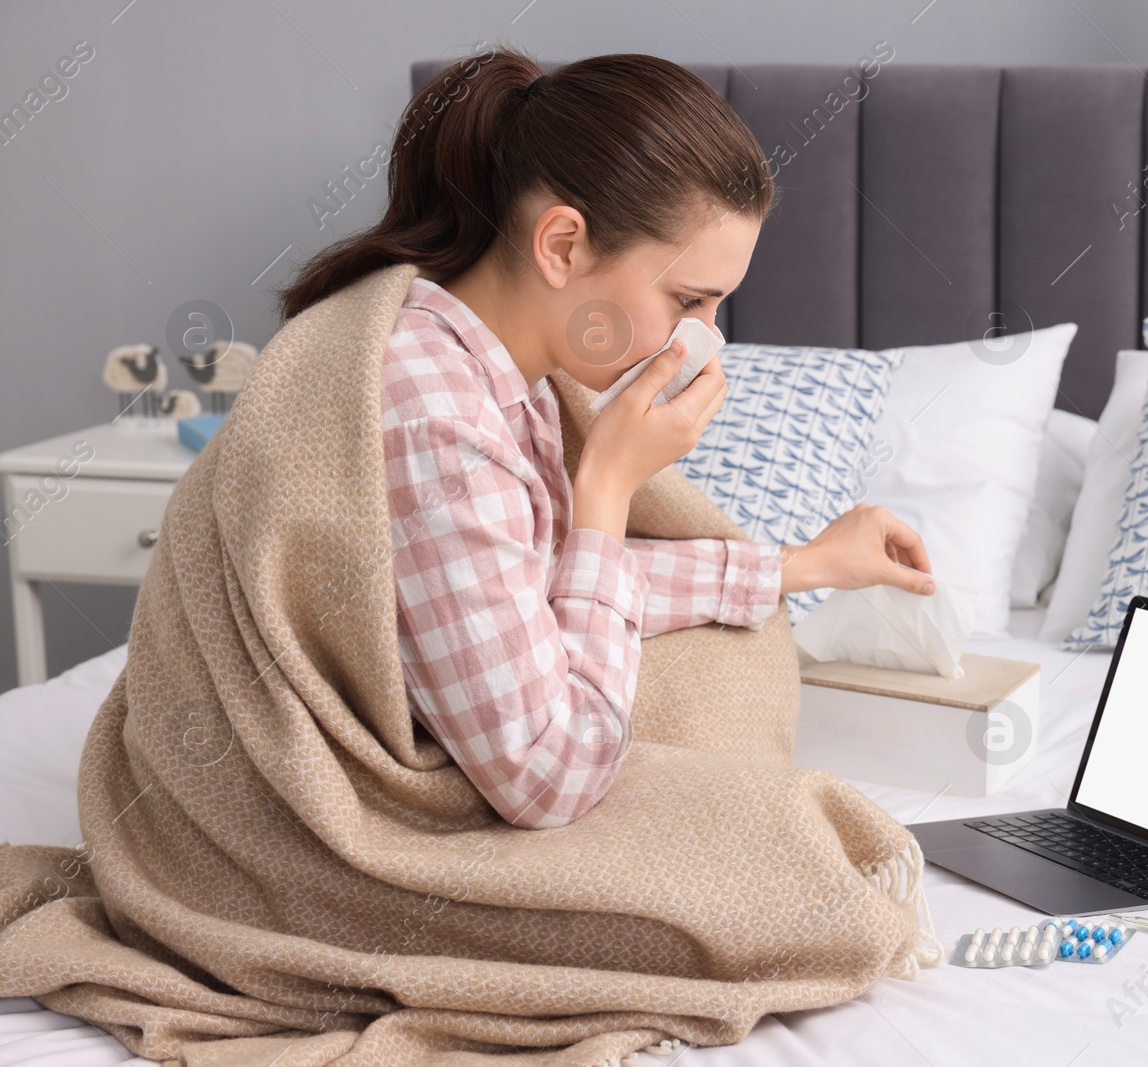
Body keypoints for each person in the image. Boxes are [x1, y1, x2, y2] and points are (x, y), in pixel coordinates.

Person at [275, 47, 936, 831]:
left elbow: (529, 582)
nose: (702, 341)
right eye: (689, 299)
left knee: (729, 653)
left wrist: (808, 565)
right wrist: (608, 487)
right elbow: (548, 780)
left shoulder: (491, 371)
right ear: (562, 246)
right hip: (316, 823)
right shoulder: (437, 418)